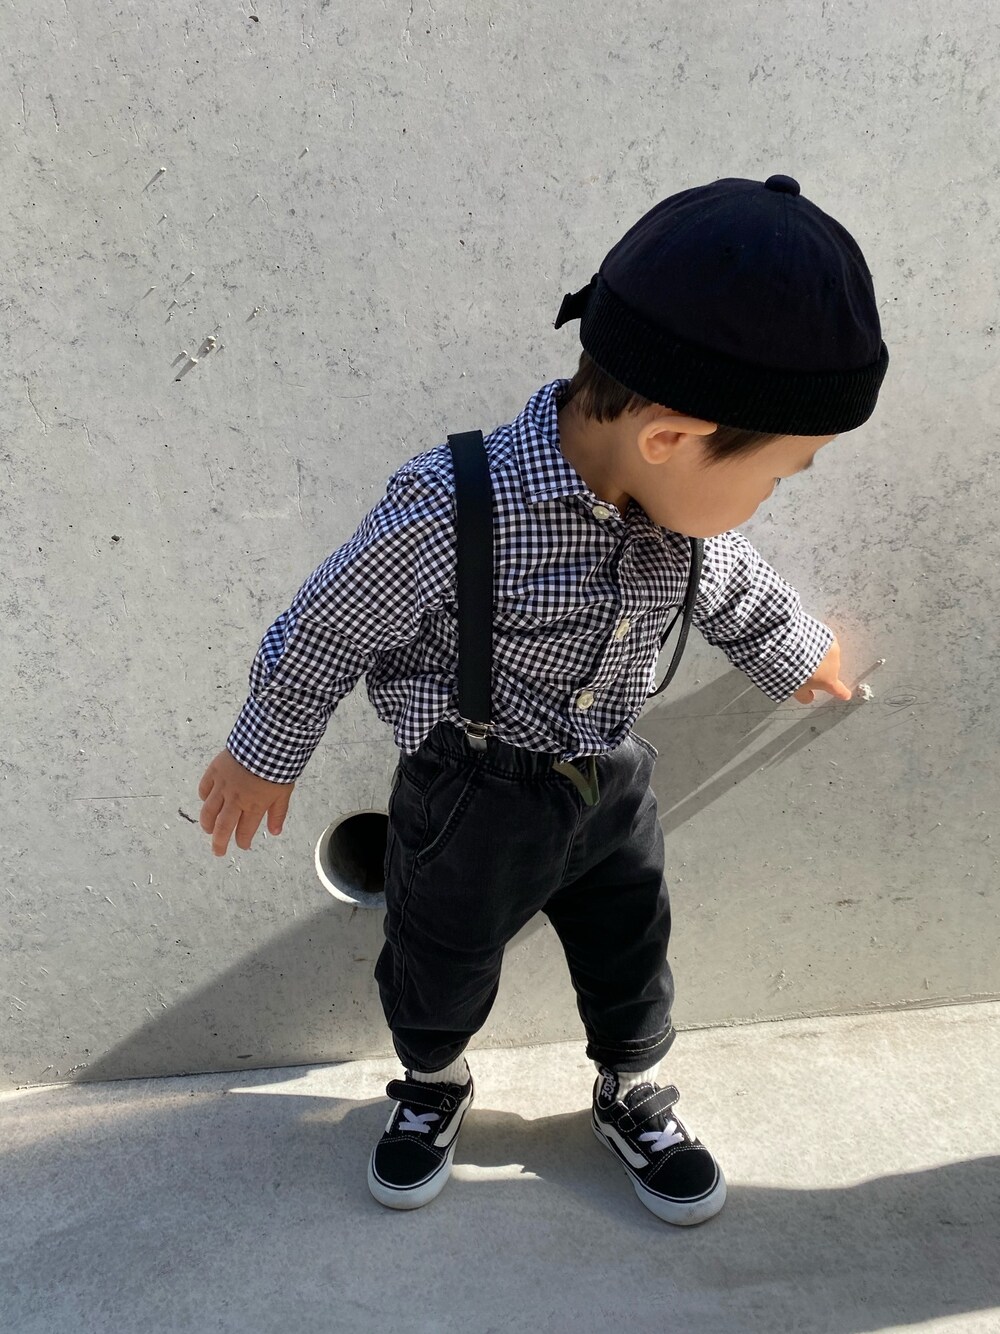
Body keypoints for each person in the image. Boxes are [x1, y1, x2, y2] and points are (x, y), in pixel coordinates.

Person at [198, 174, 889, 1226]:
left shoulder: (677, 514)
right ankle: (432, 1082)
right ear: (669, 437)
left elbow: (732, 581)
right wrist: (265, 749)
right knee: (439, 955)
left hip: (612, 781)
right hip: (471, 792)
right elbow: (330, 625)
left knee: (632, 947)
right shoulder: (452, 507)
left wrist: (797, 650)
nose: (765, 500)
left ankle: (631, 1087)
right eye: (779, 475)